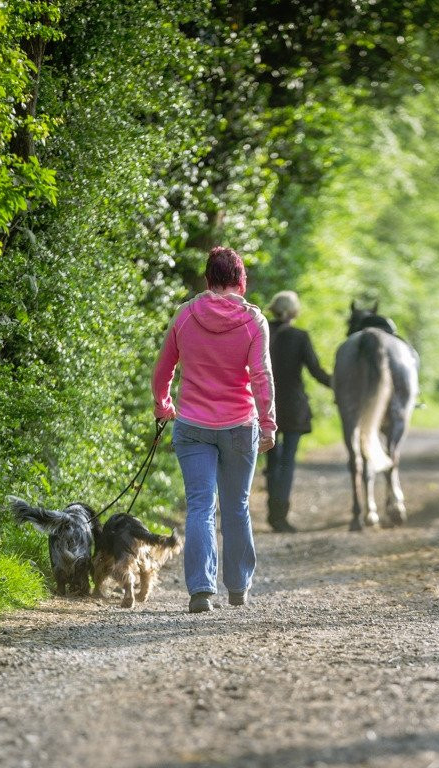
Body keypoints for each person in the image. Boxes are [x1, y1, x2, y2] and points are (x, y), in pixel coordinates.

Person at [152, 247, 276, 613]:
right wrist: (267, 423)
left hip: (192, 426)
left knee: (200, 506)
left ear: (207, 280)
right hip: (240, 425)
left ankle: (202, 591)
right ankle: (238, 588)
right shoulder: (254, 321)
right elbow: (261, 376)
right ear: (242, 282)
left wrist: (163, 404)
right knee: (236, 506)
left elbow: (163, 369)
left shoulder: (185, 315)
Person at [265, 291, 332, 533]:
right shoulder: (299, 337)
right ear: (294, 312)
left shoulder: (261, 332)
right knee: (288, 460)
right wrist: (339, 384)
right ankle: (280, 515)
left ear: (273, 310)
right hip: (293, 406)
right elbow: (316, 371)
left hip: (265, 405)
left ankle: (272, 512)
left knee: (272, 458)